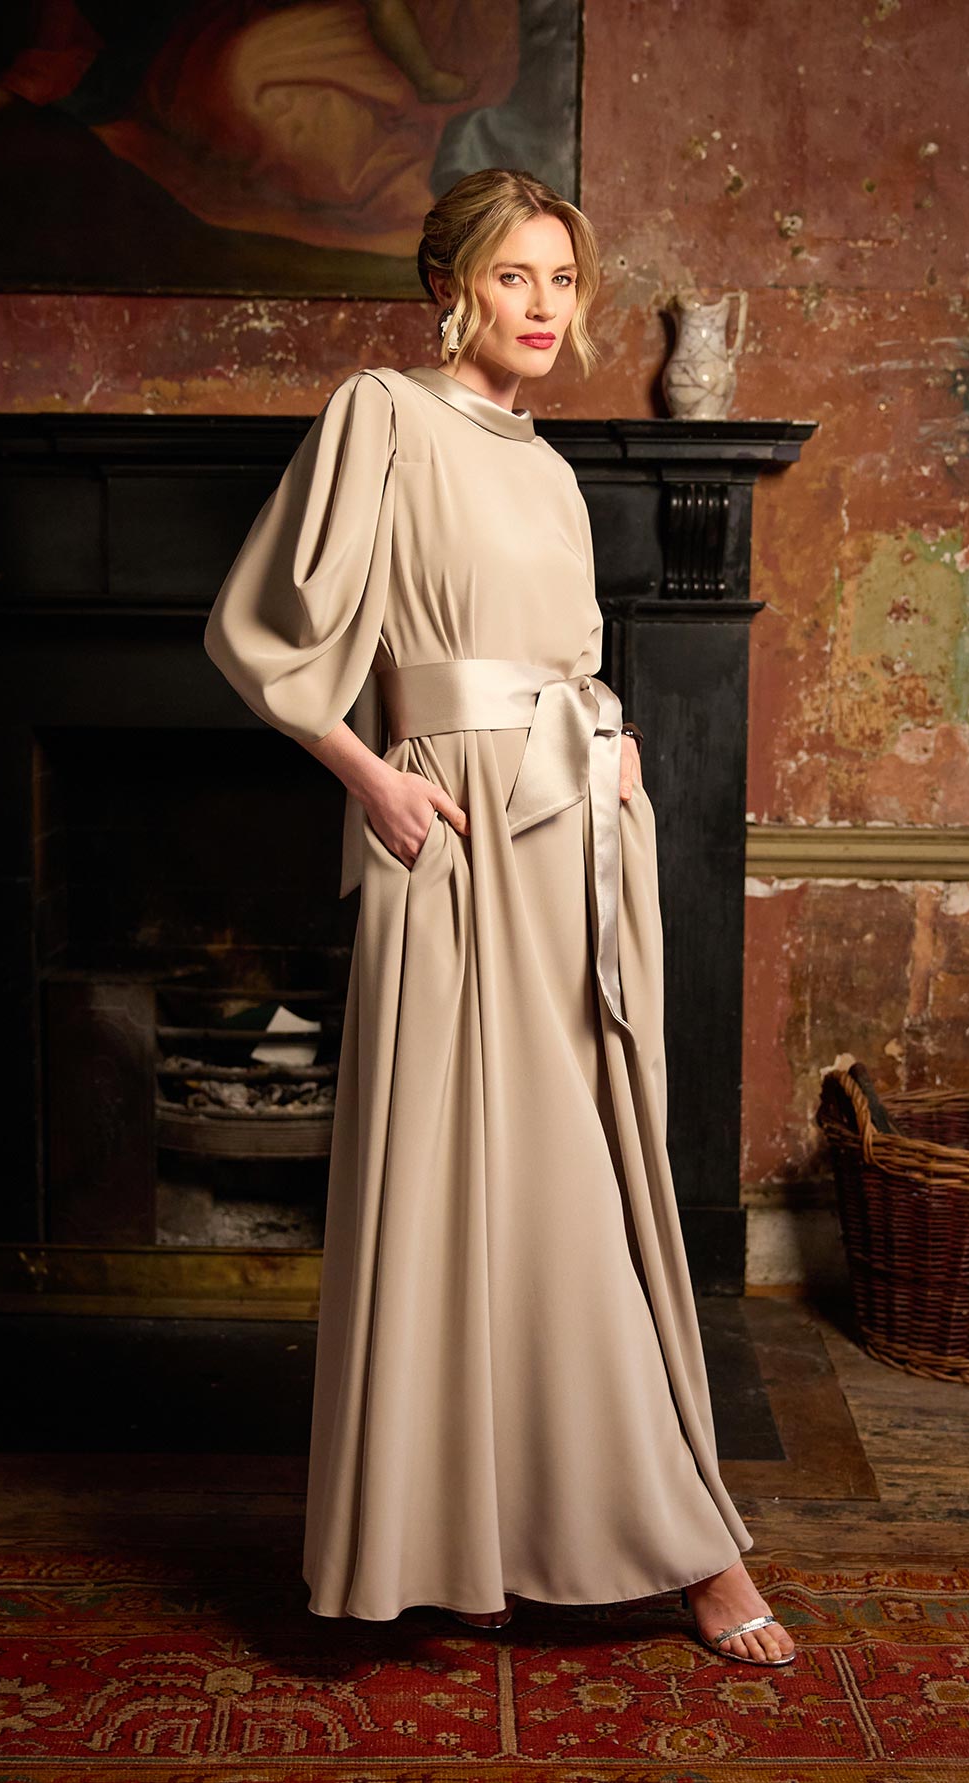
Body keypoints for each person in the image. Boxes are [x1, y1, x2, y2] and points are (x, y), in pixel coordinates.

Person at [203, 166, 796, 1667]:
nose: (544, 306)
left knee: (570, 1170)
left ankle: (495, 1539)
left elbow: (559, 655)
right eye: (514, 276)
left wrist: (613, 738)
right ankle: (686, 1553)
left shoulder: (545, 464)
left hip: (573, 830)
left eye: (562, 280)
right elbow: (260, 631)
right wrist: (370, 780)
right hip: (454, 833)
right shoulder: (381, 415)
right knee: (482, 1180)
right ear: (451, 286)